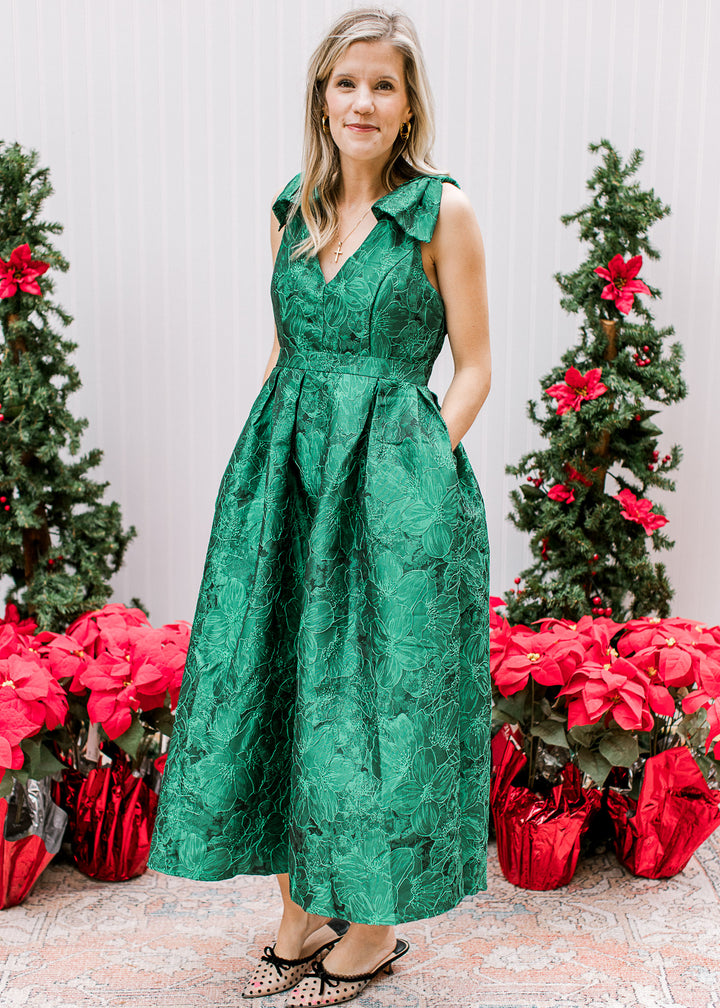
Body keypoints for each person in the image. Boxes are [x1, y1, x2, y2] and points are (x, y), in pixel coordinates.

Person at [147, 6, 491, 1006]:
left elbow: (473, 365)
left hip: (394, 494)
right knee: (283, 685)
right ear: (320, 96)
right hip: (286, 476)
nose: (363, 102)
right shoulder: (289, 209)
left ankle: (374, 925)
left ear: (408, 103)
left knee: (374, 703)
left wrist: (414, 468)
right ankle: (300, 908)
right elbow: (285, 351)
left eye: (384, 85)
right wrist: (260, 466)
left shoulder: (441, 213)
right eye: (348, 83)